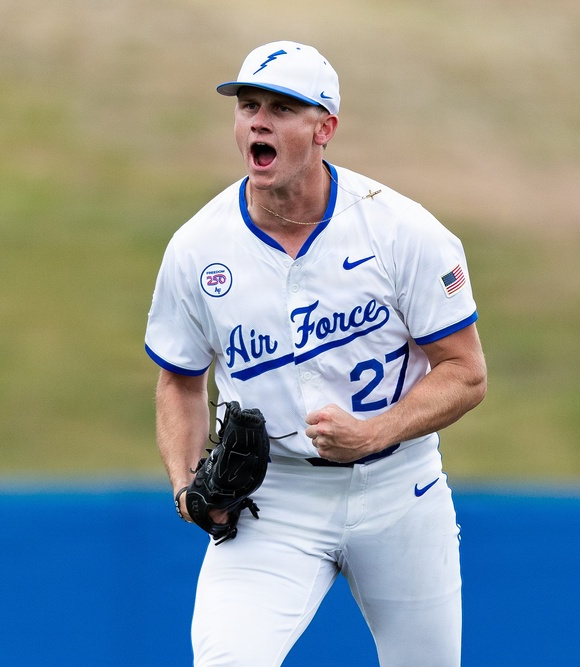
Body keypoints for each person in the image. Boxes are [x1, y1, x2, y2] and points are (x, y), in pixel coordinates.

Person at [144, 40, 488, 666]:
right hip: (270, 500)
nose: (259, 120)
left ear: (325, 127)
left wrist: (374, 431)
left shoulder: (402, 233)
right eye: (249, 105)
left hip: (398, 490)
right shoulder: (198, 247)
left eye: (282, 107)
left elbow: (465, 373)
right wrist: (187, 485)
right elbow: (179, 381)